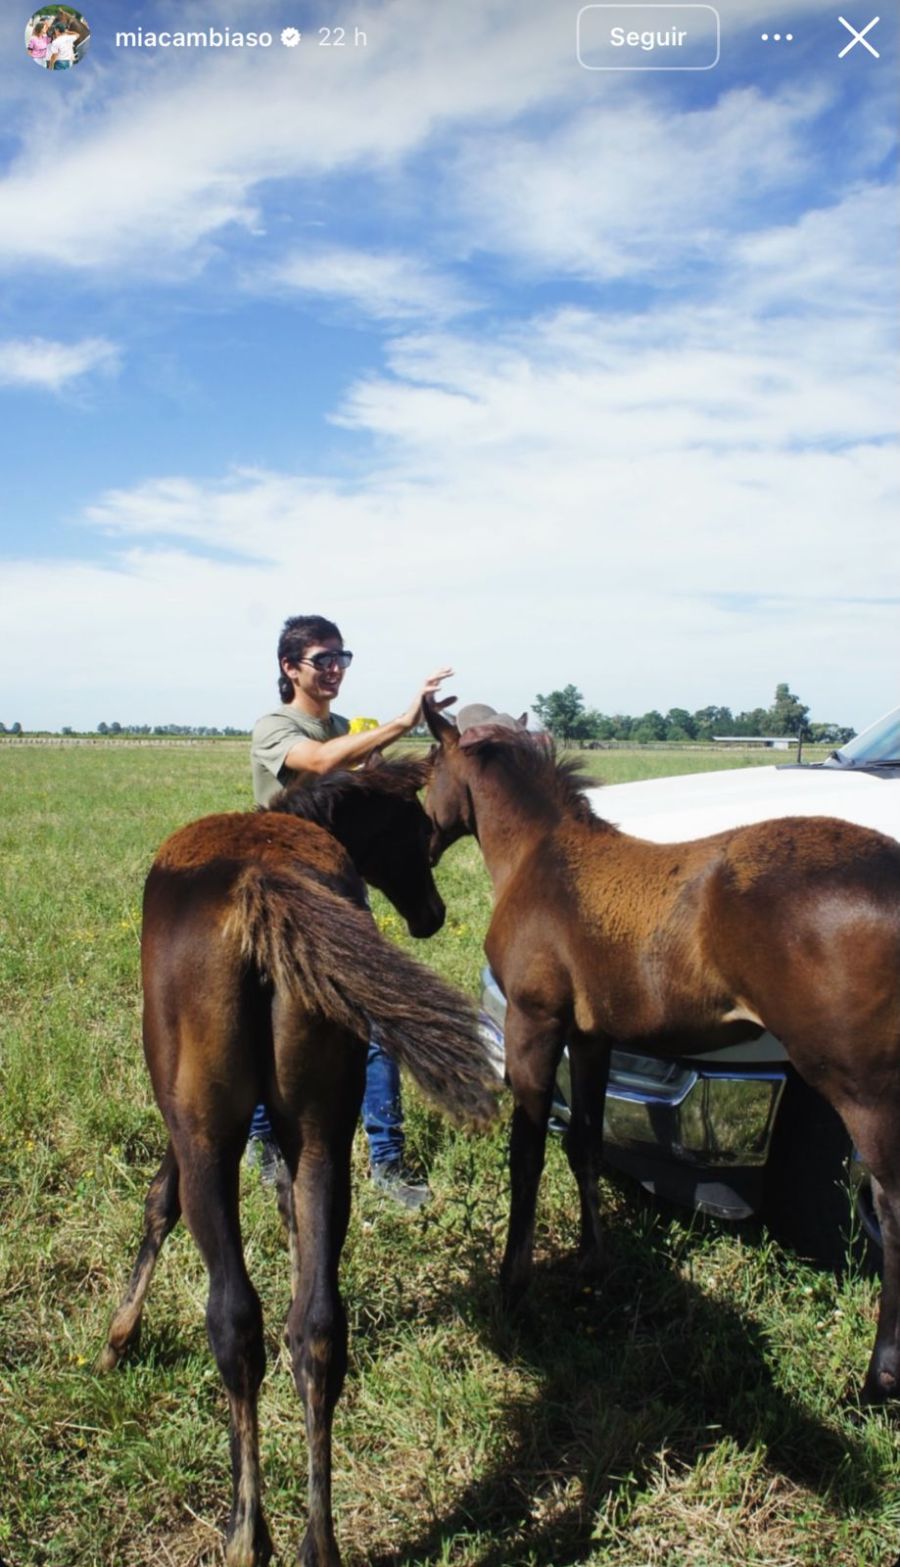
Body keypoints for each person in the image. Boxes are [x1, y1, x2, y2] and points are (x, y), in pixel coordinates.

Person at [249, 613, 455, 1208]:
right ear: (291, 669)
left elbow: (360, 777)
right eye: (323, 660)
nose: (336, 669)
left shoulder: (343, 725)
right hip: (285, 893)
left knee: (378, 1025)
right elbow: (317, 764)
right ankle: (267, 1147)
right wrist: (399, 722)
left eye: (342, 658)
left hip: (343, 892)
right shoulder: (275, 727)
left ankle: (387, 1164)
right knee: (263, 1019)